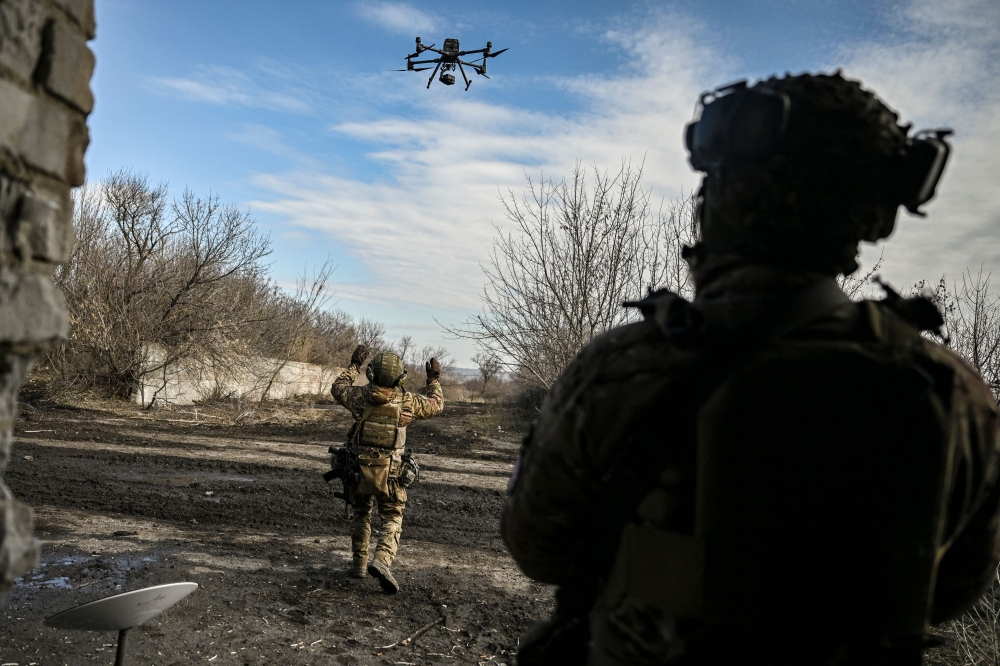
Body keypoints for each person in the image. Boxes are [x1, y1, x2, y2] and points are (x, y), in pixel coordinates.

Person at [501, 72, 1000, 665]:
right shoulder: (948, 393)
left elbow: (538, 548)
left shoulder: (626, 367)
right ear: (873, 215)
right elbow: (950, 590)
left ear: (721, 197)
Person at [331, 345, 444, 594]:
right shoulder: (408, 402)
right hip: (392, 473)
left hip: (359, 468)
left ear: (371, 374)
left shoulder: (359, 397)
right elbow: (437, 405)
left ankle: (359, 564)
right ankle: (381, 560)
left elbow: (337, 387)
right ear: (401, 378)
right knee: (392, 517)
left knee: (361, 514)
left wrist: (354, 365)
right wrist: (433, 379)